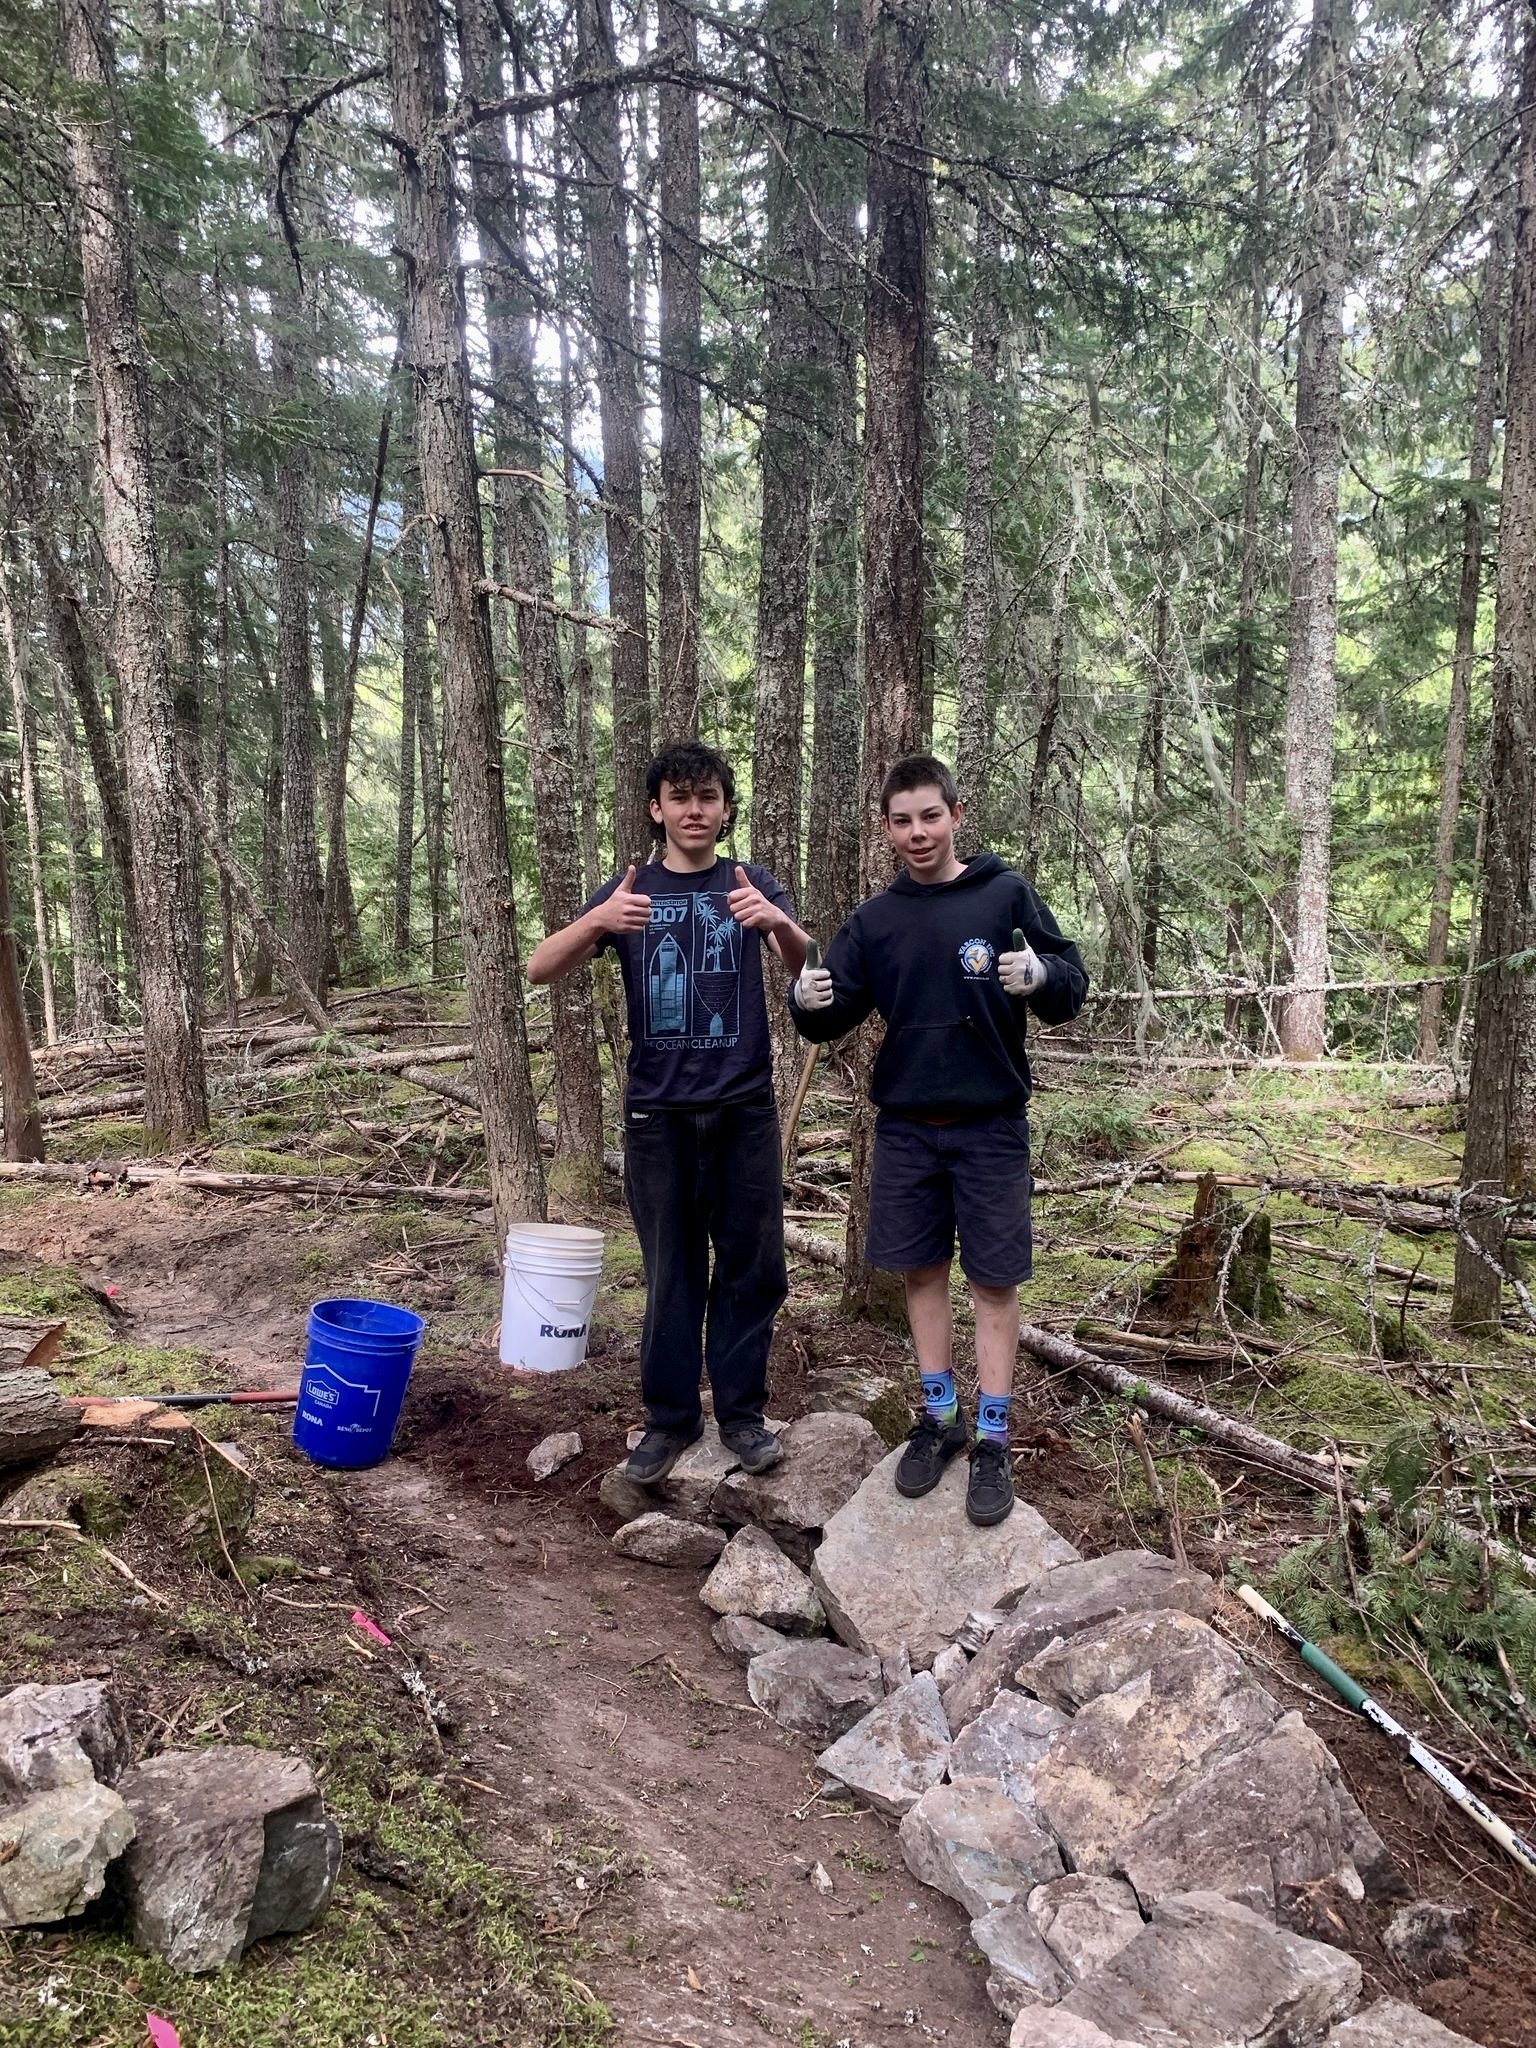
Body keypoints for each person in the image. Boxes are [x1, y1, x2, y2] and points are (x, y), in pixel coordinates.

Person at [787, 754, 1087, 1526]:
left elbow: (1070, 985)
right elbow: (831, 1013)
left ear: (955, 814)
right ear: (887, 829)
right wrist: (804, 1000)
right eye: (902, 821)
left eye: (929, 816)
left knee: (993, 1283)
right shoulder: (876, 920)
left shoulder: (1004, 894)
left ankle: (993, 1436)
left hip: (992, 1128)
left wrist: (1041, 976)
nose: (917, 832)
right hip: (908, 1131)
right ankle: (940, 1417)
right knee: (921, 1273)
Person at [527, 740, 811, 1485]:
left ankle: (742, 1417)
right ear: (656, 810)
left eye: (708, 797)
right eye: (679, 798)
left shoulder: (750, 883)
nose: (694, 810)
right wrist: (599, 921)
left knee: (752, 1267)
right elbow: (540, 966)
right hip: (658, 1114)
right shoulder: (630, 890)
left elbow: (812, 972)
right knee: (672, 1270)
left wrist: (777, 923)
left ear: (725, 809)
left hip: (744, 1108)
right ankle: (669, 1420)